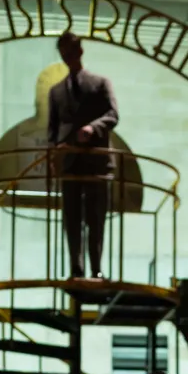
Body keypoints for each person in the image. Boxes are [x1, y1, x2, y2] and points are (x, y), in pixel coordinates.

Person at [46, 29, 120, 280]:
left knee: (96, 219)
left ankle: (96, 268)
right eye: (63, 53)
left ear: (80, 51)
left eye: (71, 51)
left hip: (96, 163)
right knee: (72, 220)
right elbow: (52, 130)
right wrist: (54, 156)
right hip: (70, 165)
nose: (68, 56)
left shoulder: (100, 83)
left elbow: (112, 115)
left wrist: (92, 128)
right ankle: (75, 269)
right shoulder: (56, 92)